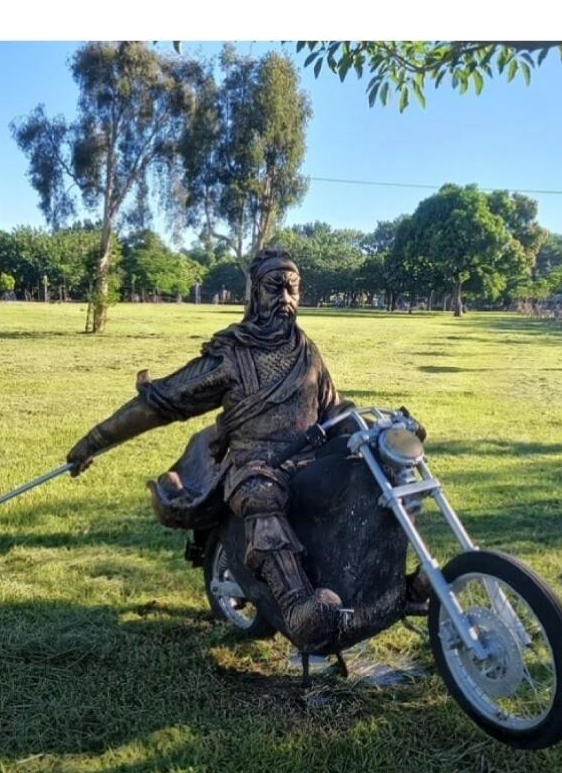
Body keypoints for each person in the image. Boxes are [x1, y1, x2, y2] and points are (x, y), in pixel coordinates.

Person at [66, 249, 357, 653]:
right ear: (255, 293)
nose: (286, 300)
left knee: (377, 472)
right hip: (254, 464)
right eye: (276, 288)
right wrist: (92, 442)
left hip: (310, 457)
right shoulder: (232, 354)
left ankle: (390, 585)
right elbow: (161, 402)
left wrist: (369, 429)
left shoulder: (307, 350)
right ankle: (297, 609)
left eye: (293, 289)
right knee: (260, 493)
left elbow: (333, 407)